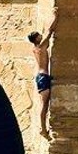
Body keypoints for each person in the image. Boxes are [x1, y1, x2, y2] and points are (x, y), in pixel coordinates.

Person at [28, 10, 57, 139]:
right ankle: (43, 129)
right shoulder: (41, 47)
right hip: (43, 77)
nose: (41, 35)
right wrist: (56, 16)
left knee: (44, 104)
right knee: (44, 105)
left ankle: (43, 128)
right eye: (39, 35)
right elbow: (50, 31)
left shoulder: (35, 49)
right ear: (36, 39)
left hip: (42, 77)